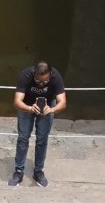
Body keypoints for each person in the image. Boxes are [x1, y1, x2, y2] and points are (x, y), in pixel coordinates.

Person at [10, 59, 66, 187]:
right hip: (27, 105)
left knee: (42, 139)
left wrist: (52, 109)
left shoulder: (56, 76)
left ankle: (38, 171)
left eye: (45, 81)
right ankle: (19, 171)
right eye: (38, 81)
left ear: (50, 74)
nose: (41, 84)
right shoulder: (26, 75)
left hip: (48, 105)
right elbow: (17, 101)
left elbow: (62, 102)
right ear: (33, 73)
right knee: (23, 138)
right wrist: (29, 108)